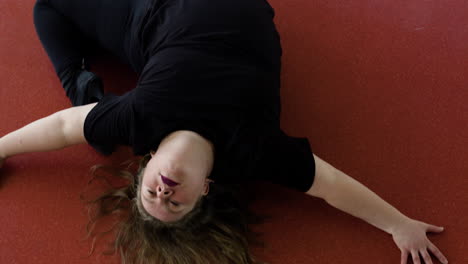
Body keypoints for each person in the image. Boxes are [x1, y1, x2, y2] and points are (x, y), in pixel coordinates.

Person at [0, 0, 448, 263]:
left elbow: (61, 128)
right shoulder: (251, 149)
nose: (163, 194)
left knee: (49, 4)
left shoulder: (142, 118)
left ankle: (84, 93)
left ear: (147, 160)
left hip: (150, 14)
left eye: (150, 196)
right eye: (175, 203)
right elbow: (328, 186)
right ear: (204, 190)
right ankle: (87, 95)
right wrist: (398, 224)